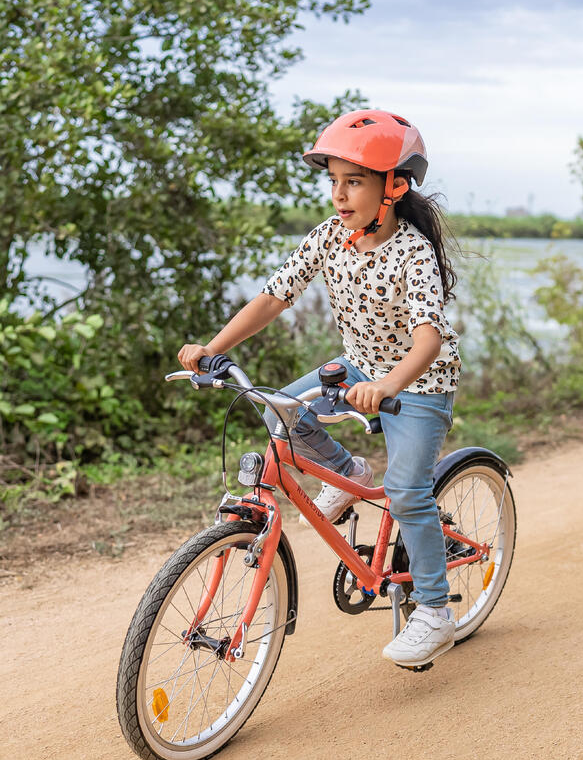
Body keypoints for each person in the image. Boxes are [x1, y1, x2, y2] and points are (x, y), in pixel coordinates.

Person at [178, 109, 461, 667]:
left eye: (353, 181)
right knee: (276, 411)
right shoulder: (329, 238)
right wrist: (214, 349)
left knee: (406, 492)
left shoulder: (412, 252)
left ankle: (434, 611)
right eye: (333, 180)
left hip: (420, 381)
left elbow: (428, 338)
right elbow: (273, 298)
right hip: (359, 367)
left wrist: (388, 385)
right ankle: (349, 472)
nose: (338, 194)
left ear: (395, 186)